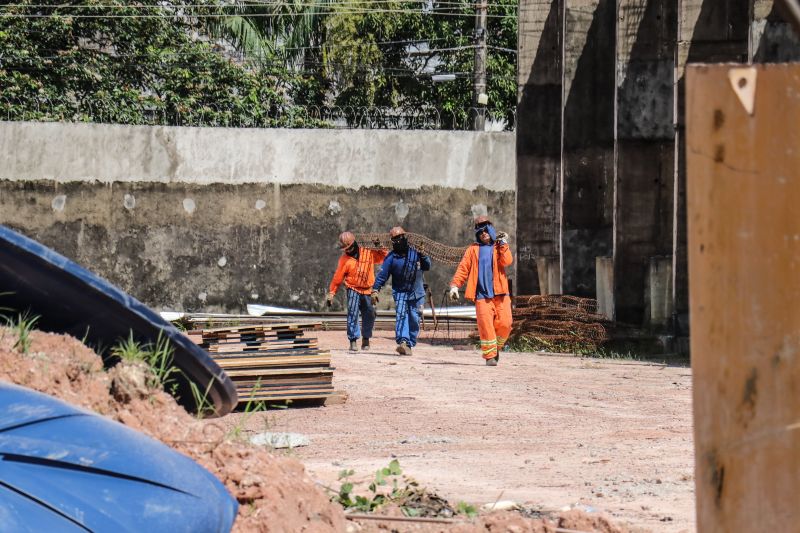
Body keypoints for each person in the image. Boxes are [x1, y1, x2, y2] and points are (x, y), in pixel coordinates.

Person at [448, 215, 513, 366]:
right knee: (485, 325)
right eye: (480, 232)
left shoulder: (498, 247)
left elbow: (507, 261)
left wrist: (503, 243)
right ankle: (490, 356)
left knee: (506, 324)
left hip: (501, 294)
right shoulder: (472, 250)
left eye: (486, 230)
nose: (483, 233)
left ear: (491, 230)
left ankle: (496, 348)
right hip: (482, 296)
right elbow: (463, 268)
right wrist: (455, 286)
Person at [372, 226, 431, 356]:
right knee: (401, 316)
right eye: (395, 239)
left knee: (414, 319)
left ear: (405, 238)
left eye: (401, 238)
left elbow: (427, 266)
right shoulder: (391, 258)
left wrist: (423, 255)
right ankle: (403, 342)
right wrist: (375, 289)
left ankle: (410, 343)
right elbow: (382, 275)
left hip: (416, 291)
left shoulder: (415, 252)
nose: (399, 241)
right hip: (400, 292)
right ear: (393, 242)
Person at [327, 231, 387, 351]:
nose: (347, 251)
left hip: (368, 289)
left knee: (370, 314)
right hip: (353, 288)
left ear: (354, 244)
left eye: (348, 248)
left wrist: (379, 246)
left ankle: (366, 339)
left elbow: (384, 257)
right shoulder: (344, 260)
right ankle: (353, 340)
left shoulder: (367, 252)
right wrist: (331, 293)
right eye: (345, 249)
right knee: (353, 313)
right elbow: (337, 278)